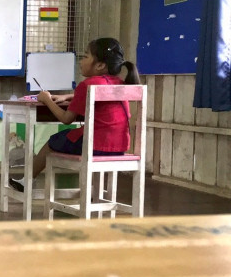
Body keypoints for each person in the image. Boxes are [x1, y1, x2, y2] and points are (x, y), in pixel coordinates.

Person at [10, 37, 141, 192]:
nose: (81, 61)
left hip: (94, 145)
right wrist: (68, 96)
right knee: (68, 137)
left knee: (53, 141)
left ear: (100, 65)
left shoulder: (87, 84)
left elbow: (66, 119)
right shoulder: (119, 83)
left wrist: (46, 99)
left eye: (85, 56)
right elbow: (98, 93)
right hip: (119, 146)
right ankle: (95, 192)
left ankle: (27, 181)